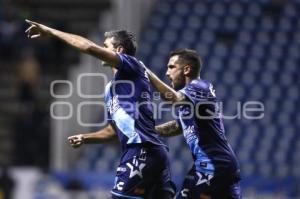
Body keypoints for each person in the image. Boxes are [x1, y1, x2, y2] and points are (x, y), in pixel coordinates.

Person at [25, 20, 175, 199]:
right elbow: (113, 131)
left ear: (119, 50)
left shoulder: (132, 64)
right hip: (151, 152)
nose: (102, 49)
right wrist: (85, 138)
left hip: (140, 151)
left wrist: (51, 32)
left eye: (106, 46)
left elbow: (88, 47)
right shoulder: (112, 88)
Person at [145, 49, 241, 199]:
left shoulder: (199, 87)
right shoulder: (190, 99)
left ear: (187, 69)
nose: (167, 73)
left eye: (171, 67)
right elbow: (178, 126)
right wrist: (150, 130)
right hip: (216, 165)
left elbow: (173, 98)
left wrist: (147, 73)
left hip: (214, 164)